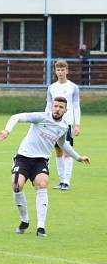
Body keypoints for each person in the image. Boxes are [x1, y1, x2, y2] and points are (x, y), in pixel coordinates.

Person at [0, 97, 90, 238]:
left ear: (66, 110)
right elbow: (17, 117)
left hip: (40, 161)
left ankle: (41, 227)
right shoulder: (41, 117)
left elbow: (63, 144)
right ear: (51, 107)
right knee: (16, 186)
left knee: (42, 184)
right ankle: (24, 221)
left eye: (61, 107)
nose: (57, 109)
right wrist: (7, 131)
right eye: (55, 106)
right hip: (23, 158)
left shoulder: (64, 126)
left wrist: (78, 157)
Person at [46, 60, 81, 191]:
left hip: (67, 124)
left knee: (67, 151)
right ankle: (61, 181)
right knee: (58, 151)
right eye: (58, 70)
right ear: (55, 71)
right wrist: (46, 120)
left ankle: (66, 181)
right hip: (54, 124)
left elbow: (76, 106)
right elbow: (49, 105)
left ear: (67, 71)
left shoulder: (73, 87)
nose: (60, 72)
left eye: (62, 70)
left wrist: (77, 124)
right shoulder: (51, 87)